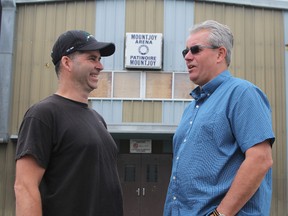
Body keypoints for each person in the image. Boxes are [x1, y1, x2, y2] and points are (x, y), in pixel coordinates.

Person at [164, 20, 275, 216]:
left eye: (195, 50)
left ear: (220, 54)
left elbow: (260, 159)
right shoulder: (192, 108)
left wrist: (221, 214)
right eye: (185, 52)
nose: (187, 57)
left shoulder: (242, 93)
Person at [14, 30, 123, 216]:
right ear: (67, 62)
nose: (100, 66)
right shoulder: (43, 114)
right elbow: (25, 186)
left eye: (99, 59)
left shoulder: (97, 119)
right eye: (92, 58)